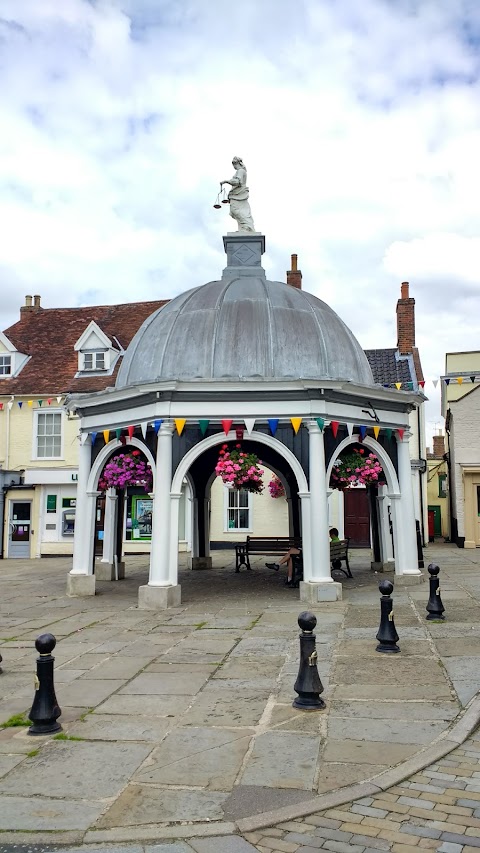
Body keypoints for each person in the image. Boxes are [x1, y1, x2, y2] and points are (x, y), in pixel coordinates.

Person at [220, 157, 256, 233]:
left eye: (234, 164)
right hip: (238, 194)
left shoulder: (240, 171)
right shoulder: (241, 171)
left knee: (235, 210)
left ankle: (246, 227)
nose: (234, 166)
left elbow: (237, 182)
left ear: (236, 163)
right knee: (237, 211)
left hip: (239, 195)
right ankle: (243, 228)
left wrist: (226, 181)